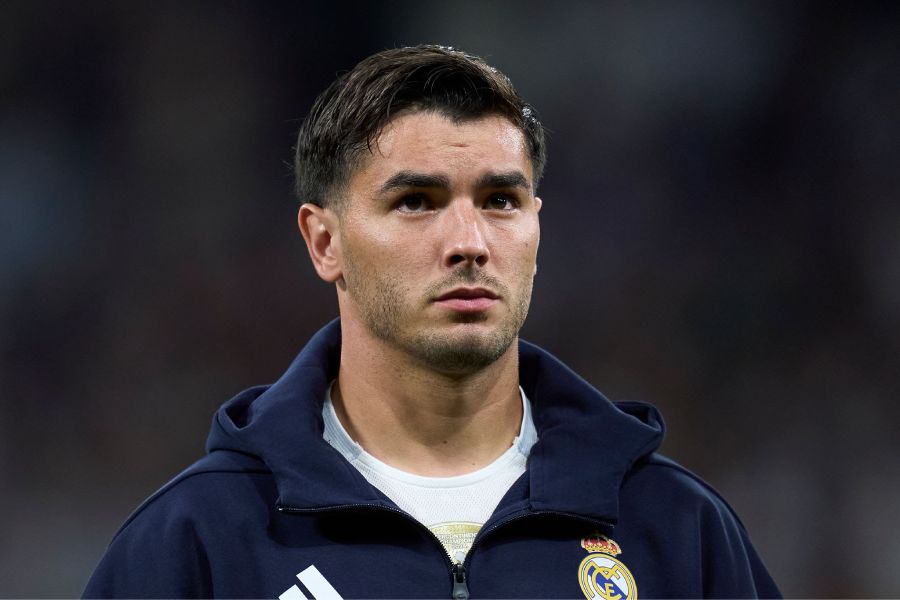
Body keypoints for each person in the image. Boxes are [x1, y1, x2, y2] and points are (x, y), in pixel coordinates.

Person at [84, 45, 780, 599]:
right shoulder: (198, 540)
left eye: (501, 200)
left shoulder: (677, 529)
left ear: (536, 226)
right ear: (324, 242)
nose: (469, 243)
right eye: (416, 201)